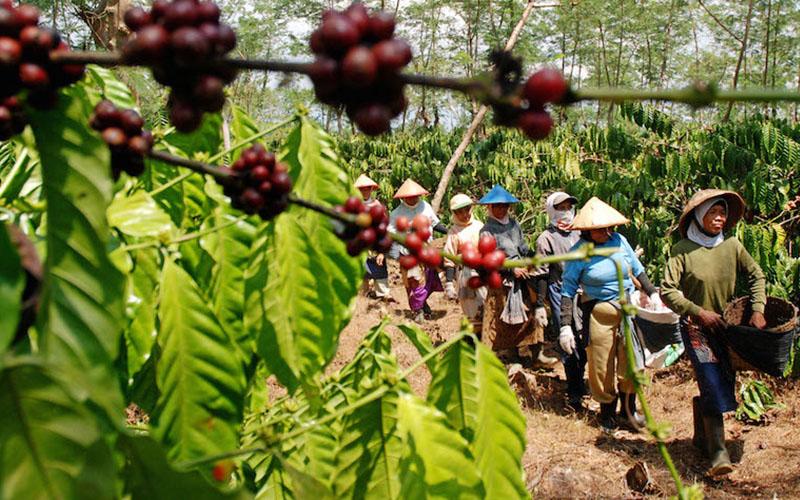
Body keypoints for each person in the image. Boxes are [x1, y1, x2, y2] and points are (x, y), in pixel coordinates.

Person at [660, 189, 766, 478]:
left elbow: (756, 274)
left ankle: (701, 436)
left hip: (726, 327)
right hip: (696, 328)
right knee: (710, 379)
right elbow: (667, 290)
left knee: (723, 381)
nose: (719, 218)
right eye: (713, 213)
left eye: (722, 213)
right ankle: (718, 451)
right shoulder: (683, 249)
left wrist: (758, 308)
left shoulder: (732, 246)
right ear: (698, 216)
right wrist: (698, 311)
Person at [559, 197, 659, 433]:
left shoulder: (619, 240)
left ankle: (628, 411)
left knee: (632, 361)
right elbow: (567, 289)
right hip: (600, 312)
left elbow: (637, 268)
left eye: (608, 228)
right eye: (599, 229)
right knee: (601, 363)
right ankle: (606, 413)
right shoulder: (579, 252)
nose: (605, 232)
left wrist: (652, 293)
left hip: (628, 309)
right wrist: (565, 325)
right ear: (587, 231)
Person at [479, 184, 557, 368]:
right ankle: (512, 356)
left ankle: (537, 353)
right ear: (489, 207)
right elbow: (487, 259)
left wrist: (533, 257)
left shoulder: (514, 224)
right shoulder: (486, 230)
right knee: (506, 319)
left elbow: (522, 247)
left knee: (533, 313)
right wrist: (510, 270)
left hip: (523, 275)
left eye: (504, 205)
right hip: (502, 279)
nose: (501, 209)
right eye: (497, 206)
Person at [532, 191, 586, 409]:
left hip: (584, 291)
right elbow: (542, 274)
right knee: (568, 340)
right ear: (551, 211)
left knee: (585, 340)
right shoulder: (546, 239)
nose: (565, 212)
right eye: (560, 208)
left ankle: (581, 381)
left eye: (567, 207)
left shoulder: (580, 232)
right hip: (560, 291)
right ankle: (574, 392)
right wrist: (539, 305)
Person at [388, 178, 448, 321]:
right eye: (409, 197)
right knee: (414, 282)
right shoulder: (397, 213)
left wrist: (449, 232)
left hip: (427, 250)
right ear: (403, 198)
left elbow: (435, 223)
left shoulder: (425, 206)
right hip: (408, 253)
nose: (412, 199)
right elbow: (390, 233)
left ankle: (422, 304)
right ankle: (418, 311)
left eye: (415, 196)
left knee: (428, 281)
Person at [443, 193, 486, 335]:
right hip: (466, 275)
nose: (464, 214)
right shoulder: (454, 232)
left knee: (486, 305)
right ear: (454, 213)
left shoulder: (480, 226)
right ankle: (474, 343)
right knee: (472, 310)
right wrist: (449, 283)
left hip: (483, 271)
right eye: (460, 212)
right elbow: (449, 257)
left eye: (466, 210)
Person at [355, 174, 391, 301]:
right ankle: (363, 296)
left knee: (379, 268)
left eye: (367, 188)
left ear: (371, 189)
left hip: (375, 242)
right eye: (362, 189)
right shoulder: (354, 206)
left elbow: (384, 227)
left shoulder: (378, 205)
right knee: (360, 272)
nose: (365, 191)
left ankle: (383, 295)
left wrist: (382, 251)